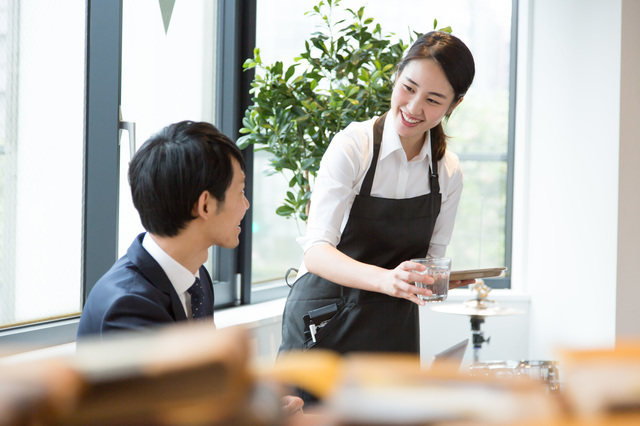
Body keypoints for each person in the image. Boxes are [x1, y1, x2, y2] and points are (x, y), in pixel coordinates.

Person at [77, 121, 303, 416]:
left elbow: (205, 392)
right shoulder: (129, 305)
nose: (246, 205)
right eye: (241, 191)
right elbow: (170, 415)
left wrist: (263, 408)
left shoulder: (195, 277)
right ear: (206, 205)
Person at [279, 31, 477, 361]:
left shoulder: (447, 171)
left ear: (454, 104)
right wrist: (387, 280)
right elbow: (316, 252)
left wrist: (434, 280)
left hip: (392, 330)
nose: (413, 108)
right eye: (408, 88)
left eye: (433, 100)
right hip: (325, 324)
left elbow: (428, 259)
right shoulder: (353, 147)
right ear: (395, 76)